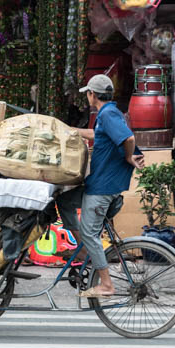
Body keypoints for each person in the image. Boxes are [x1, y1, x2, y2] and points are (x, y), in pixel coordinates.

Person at [57, 74, 145, 298]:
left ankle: (106, 284)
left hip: (103, 187)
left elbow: (128, 139)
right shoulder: (107, 115)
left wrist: (128, 156)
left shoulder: (108, 114)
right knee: (65, 201)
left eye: (87, 93)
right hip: (98, 183)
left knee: (90, 233)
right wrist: (69, 130)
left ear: (92, 94)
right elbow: (99, 135)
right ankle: (85, 251)